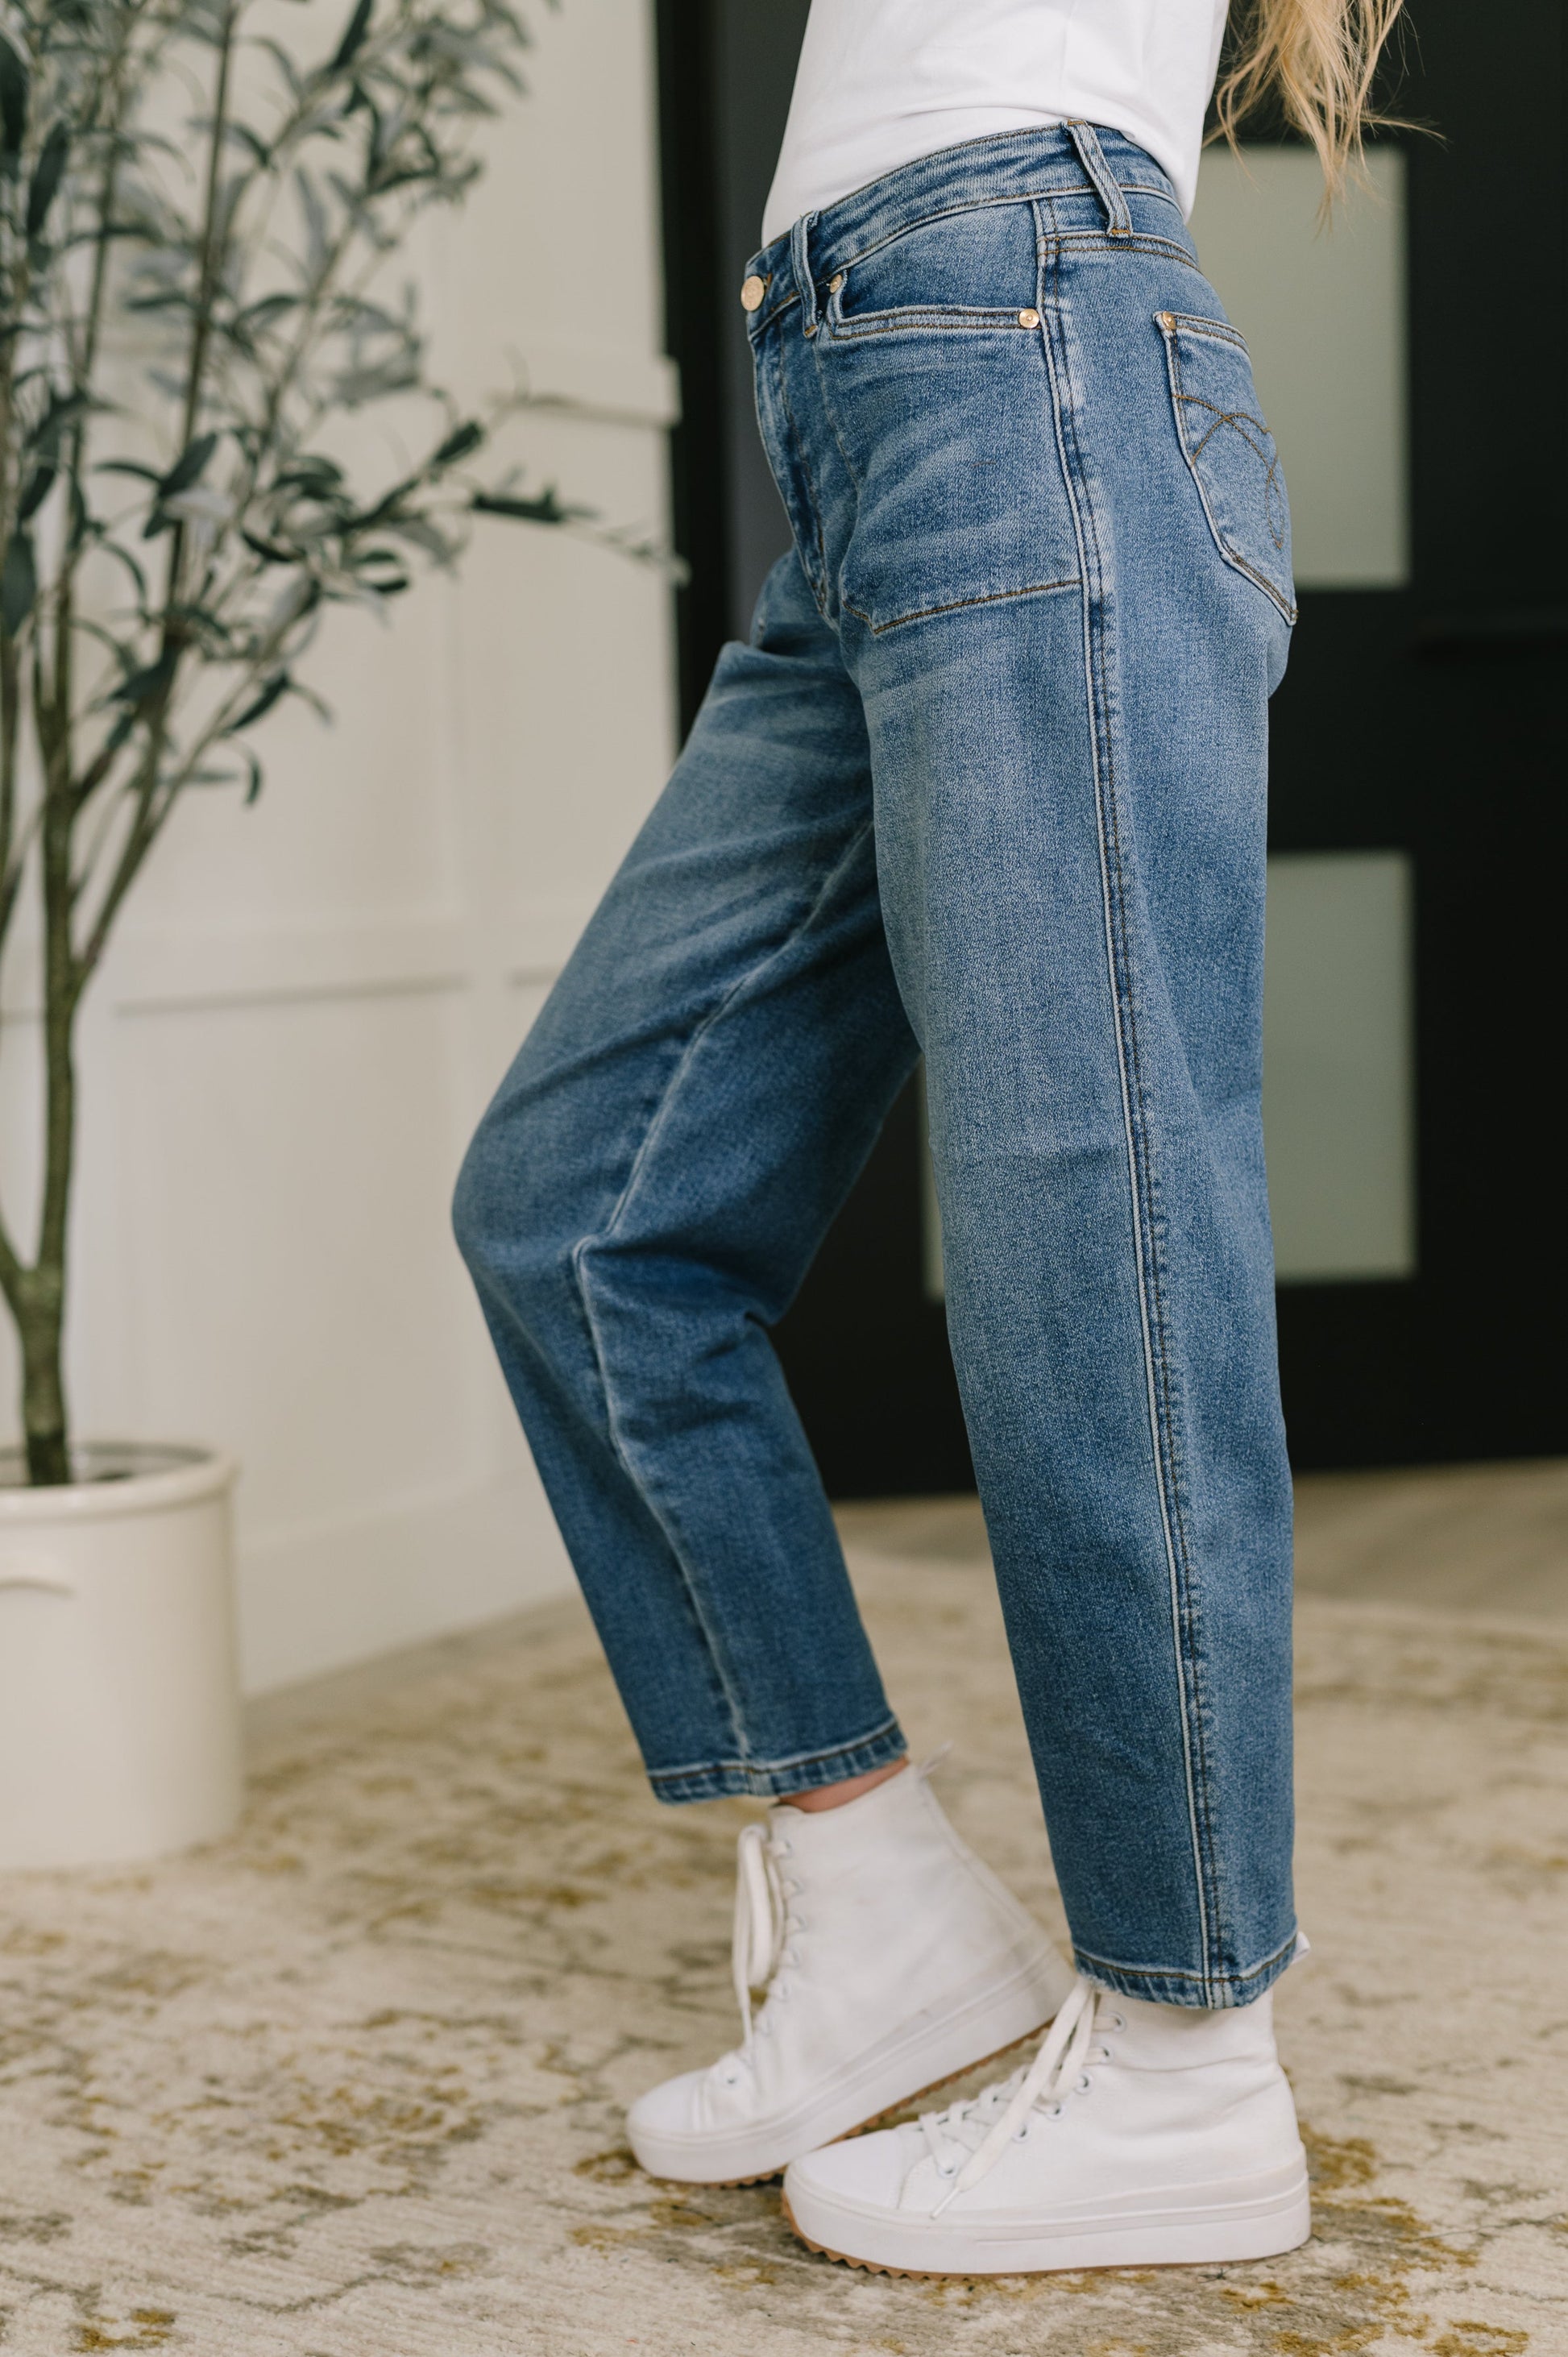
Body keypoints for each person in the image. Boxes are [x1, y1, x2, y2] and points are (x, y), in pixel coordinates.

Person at [454, 0, 1406, 2280]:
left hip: (1018, 350)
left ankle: (1185, 2064)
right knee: (583, 1211)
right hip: (876, 395)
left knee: (1098, 1230)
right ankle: (873, 1902)